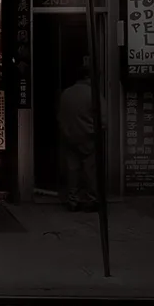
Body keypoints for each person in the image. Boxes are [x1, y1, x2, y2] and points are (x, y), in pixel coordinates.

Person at [57, 56, 99, 211]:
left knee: (72, 170)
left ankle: (72, 200)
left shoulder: (66, 93)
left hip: (70, 137)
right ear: (88, 77)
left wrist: (66, 132)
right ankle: (91, 199)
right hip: (89, 137)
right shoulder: (93, 94)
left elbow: (60, 116)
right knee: (89, 171)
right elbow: (104, 119)